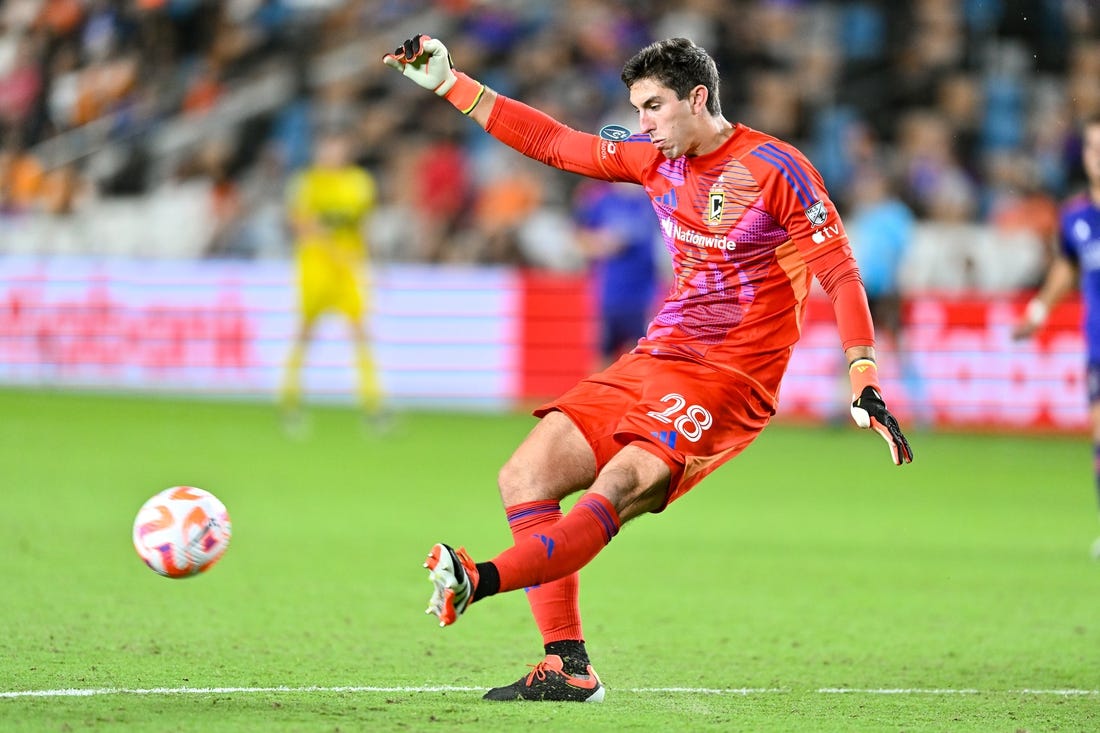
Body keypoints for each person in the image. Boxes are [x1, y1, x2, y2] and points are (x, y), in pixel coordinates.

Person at [384, 34, 914, 702]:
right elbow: (554, 143)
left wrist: (862, 374)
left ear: (698, 98)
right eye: (637, 109)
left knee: (621, 481)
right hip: (656, 356)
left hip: (729, 378)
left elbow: (839, 272)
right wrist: (451, 84)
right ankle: (568, 664)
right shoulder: (654, 159)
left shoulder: (776, 167)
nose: (643, 124)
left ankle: (479, 578)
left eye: (655, 107)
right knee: (525, 472)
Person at [1012, 115, 1100, 559]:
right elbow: (1068, 264)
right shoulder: (1077, 217)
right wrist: (1040, 308)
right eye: (1091, 148)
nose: (1098, 157)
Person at [279, 127, 384, 432]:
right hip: (316, 269)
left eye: (338, 147)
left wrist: (371, 261)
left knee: (360, 333)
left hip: (349, 270)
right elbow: (300, 224)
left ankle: (373, 407)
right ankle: (290, 403)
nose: (332, 153)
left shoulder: (360, 183)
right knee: (306, 333)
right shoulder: (308, 183)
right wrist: (330, 248)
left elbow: (363, 224)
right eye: (327, 147)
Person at [572, 179, 661, 366]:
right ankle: (596, 396)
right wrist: (603, 243)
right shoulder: (603, 200)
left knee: (639, 359)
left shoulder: (653, 199)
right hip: (609, 296)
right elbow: (580, 240)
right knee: (603, 357)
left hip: (644, 297)